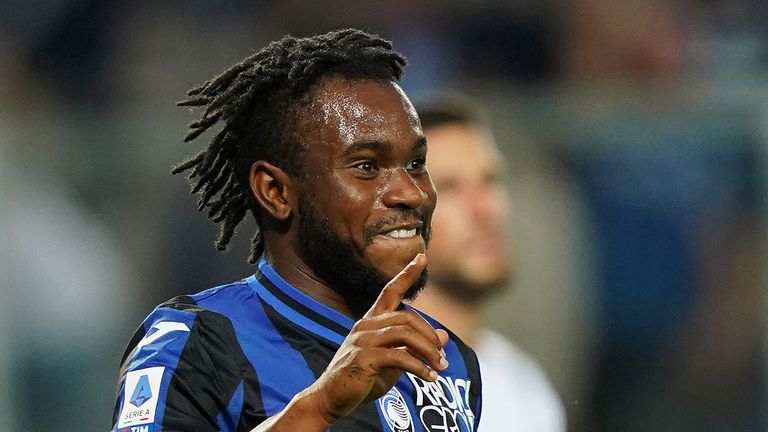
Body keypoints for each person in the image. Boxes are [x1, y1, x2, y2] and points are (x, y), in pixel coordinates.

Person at [111, 29, 481, 432]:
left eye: (415, 163)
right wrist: (319, 408)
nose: (411, 192)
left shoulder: (449, 361)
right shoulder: (197, 342)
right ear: (276, 192)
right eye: (367, 167)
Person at [410, 95, 566, 431]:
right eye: (449, 187)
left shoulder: (523, 386)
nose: (485, 209)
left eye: (491, 180)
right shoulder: (353, 383)